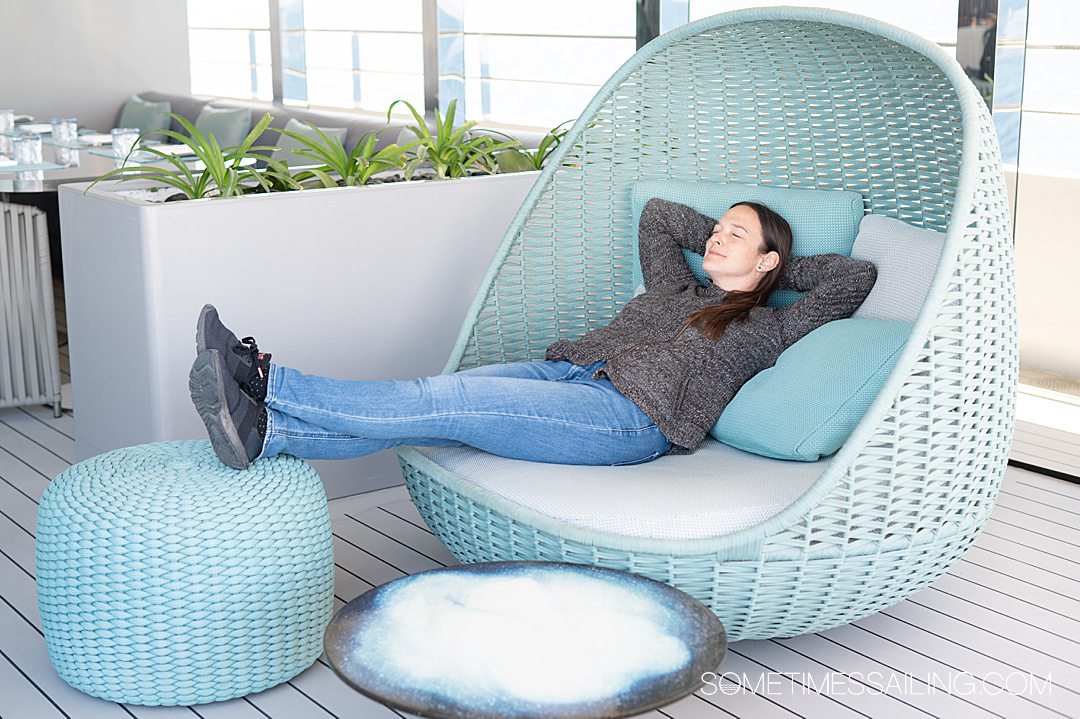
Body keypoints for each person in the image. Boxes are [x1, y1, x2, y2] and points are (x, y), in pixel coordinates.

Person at [189, 198, 877, 470]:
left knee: (444, 402)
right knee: (442, 395)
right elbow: (658, 218)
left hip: (628, 418)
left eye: (738, 234)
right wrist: (719, 241)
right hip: (570, 373)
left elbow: (853, 276)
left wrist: (766, 275)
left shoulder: (769, 325)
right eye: (719, 228)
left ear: (770, 259)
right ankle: (267, 433)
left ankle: (268, 381)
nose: (718, 237)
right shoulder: (677, 287)